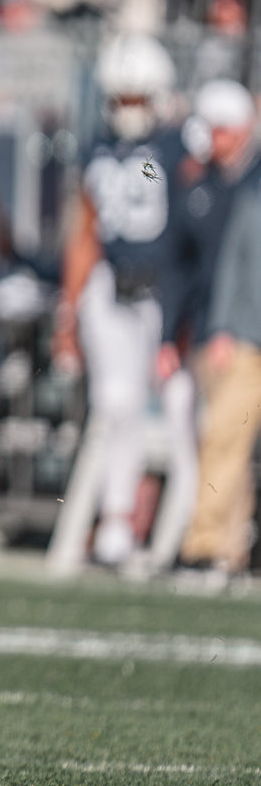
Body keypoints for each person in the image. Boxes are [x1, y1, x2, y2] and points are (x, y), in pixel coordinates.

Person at [47, 33, 190, 573]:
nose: (128, 109)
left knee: (178, 405)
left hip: (162, 286)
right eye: (121, 99)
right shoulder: (98, 148)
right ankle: (115, 522)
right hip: (112, 282)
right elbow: (84, 229)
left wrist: (146, 163)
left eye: (137, 98)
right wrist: (70, 306)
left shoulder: (172, 149)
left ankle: (189, 526)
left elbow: (164, 191)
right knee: (116, 405)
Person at [175, 81, 260, 577]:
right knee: (224, 439)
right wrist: (222, 326)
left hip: (238, 328)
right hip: (242, 333)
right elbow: (229, 263)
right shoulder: (202, 181)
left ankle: (226, 544)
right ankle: (210, 544)